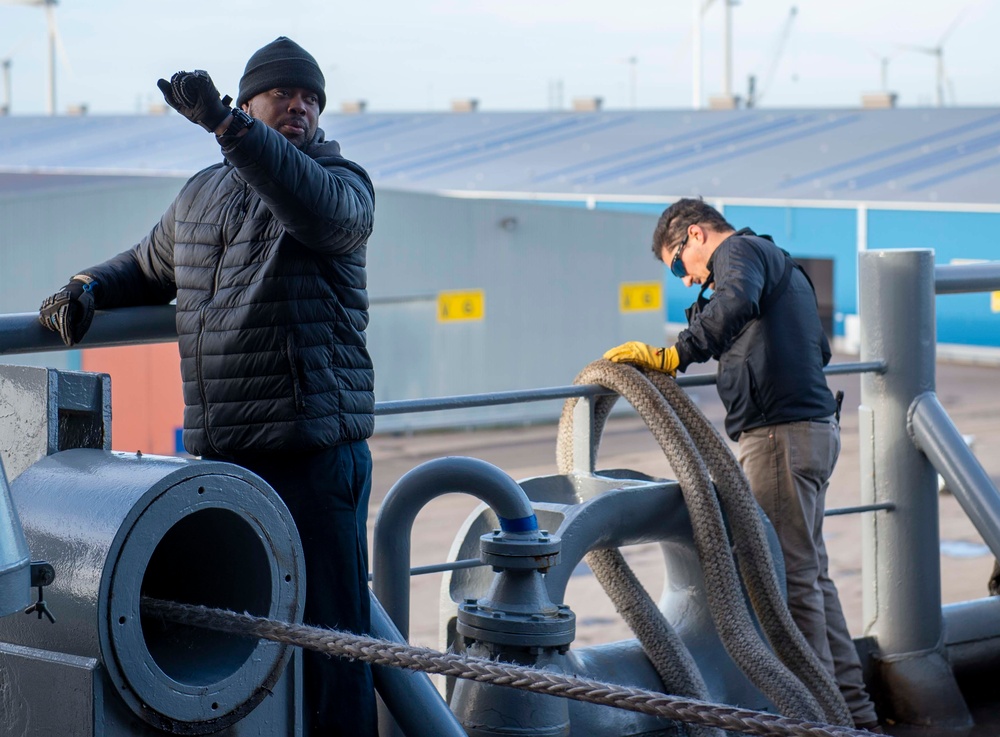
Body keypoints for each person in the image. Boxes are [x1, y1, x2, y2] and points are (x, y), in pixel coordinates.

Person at [37, 37, 377, 737]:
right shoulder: (202, 193)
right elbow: (149, 262)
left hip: (312, 457)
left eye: (310, 97)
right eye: (283, 93)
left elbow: (312, 207)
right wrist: (86, 285)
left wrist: (231, 128)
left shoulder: (339, 181)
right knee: (247, 647)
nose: (300, 106)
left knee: (334, 647)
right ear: (253, 98)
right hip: (227, 460)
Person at [603, 198, 881, 731]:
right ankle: (856, 714)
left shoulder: (739, 252)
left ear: (695, 236)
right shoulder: (781, 263)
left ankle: (821, 722)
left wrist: (674, 355)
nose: (686, 282)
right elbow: (814, 349)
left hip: (780, 438)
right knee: (812, 575)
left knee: (787, 583)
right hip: (814, 432)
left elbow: (732, 303)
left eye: (679, 266)